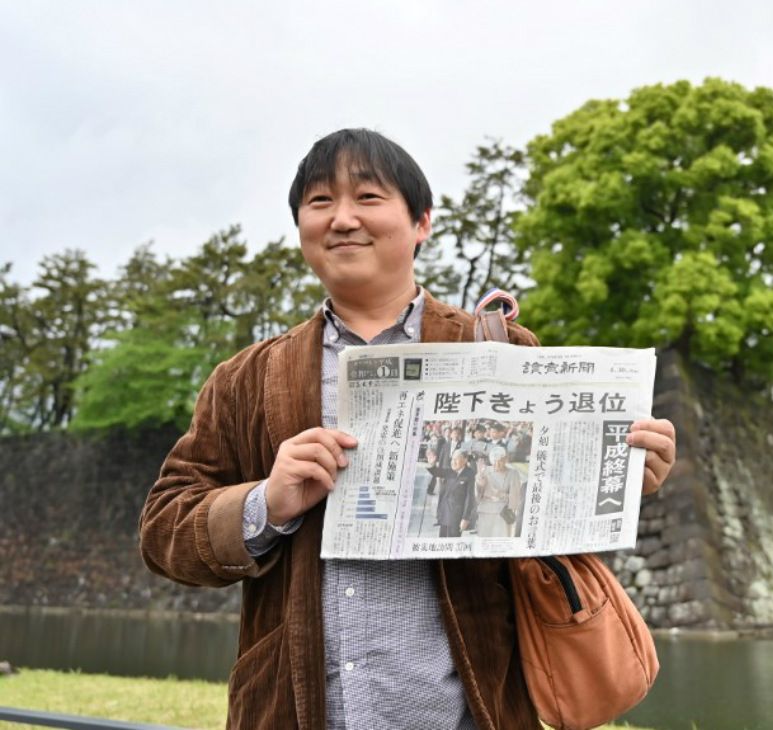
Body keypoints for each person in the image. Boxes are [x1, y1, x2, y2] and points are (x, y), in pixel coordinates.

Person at [138, 128, 677, 729]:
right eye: (319, 202)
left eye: (367, 197)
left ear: (421, 222)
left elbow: (544, 508)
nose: (342, 218)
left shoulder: (496, 349)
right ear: (300, 228)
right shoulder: (247, 378)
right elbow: (164, 530)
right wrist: (268, 501)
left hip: (472, 712)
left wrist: (627, 474)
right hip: (292, 713)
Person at [426, 448, 478, 538]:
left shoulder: (470, 474)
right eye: (452, 459)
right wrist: (432, 463)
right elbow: (436, 472)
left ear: (465, 460)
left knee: (452, 544)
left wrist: (465, 518)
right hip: (444, 514)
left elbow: (470, 499)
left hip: (456, 517)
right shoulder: (450, 471)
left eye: (456, 459)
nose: (453, 462)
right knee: (442, 543)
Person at [474, 447, 524, 538]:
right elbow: (478, 493)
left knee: (501, 540)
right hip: (486, 511)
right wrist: (479, 481)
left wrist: (500, 495)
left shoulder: (513, 473)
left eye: (500, 461)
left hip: (503, 513)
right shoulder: (484, 471)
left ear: (505, 460)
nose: (497, 464)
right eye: (494, 461)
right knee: (485, 540)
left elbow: (515, 498)